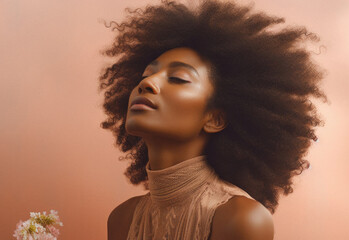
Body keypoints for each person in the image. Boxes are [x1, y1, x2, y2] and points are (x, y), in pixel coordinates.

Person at [99, 1, 325, 239]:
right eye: (146, 74)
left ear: (215, 119)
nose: (146, 83)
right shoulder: (122, 219)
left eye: (178, 78)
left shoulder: (241, 219)